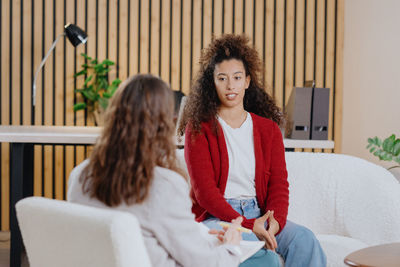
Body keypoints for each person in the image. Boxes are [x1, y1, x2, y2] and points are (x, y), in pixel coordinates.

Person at [67, 74, 279, 267]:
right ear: (164, 124)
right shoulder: (163, 184)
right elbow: (204, 263)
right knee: (268, 260)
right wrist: (231, 244)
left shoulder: (79, 176)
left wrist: (207, 239)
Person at [177, 34, 327, 267]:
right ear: (213, 83)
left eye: (237, 77)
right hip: (218, 219)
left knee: (305, 240)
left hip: (261, 214)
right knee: (265, 258)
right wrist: (247, 224)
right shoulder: (198, 129)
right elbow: (205, 193)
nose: (230, 86)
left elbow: (278, 182)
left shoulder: (268, 130)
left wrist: (274, 221)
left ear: (247, 81)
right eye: (222, 78)